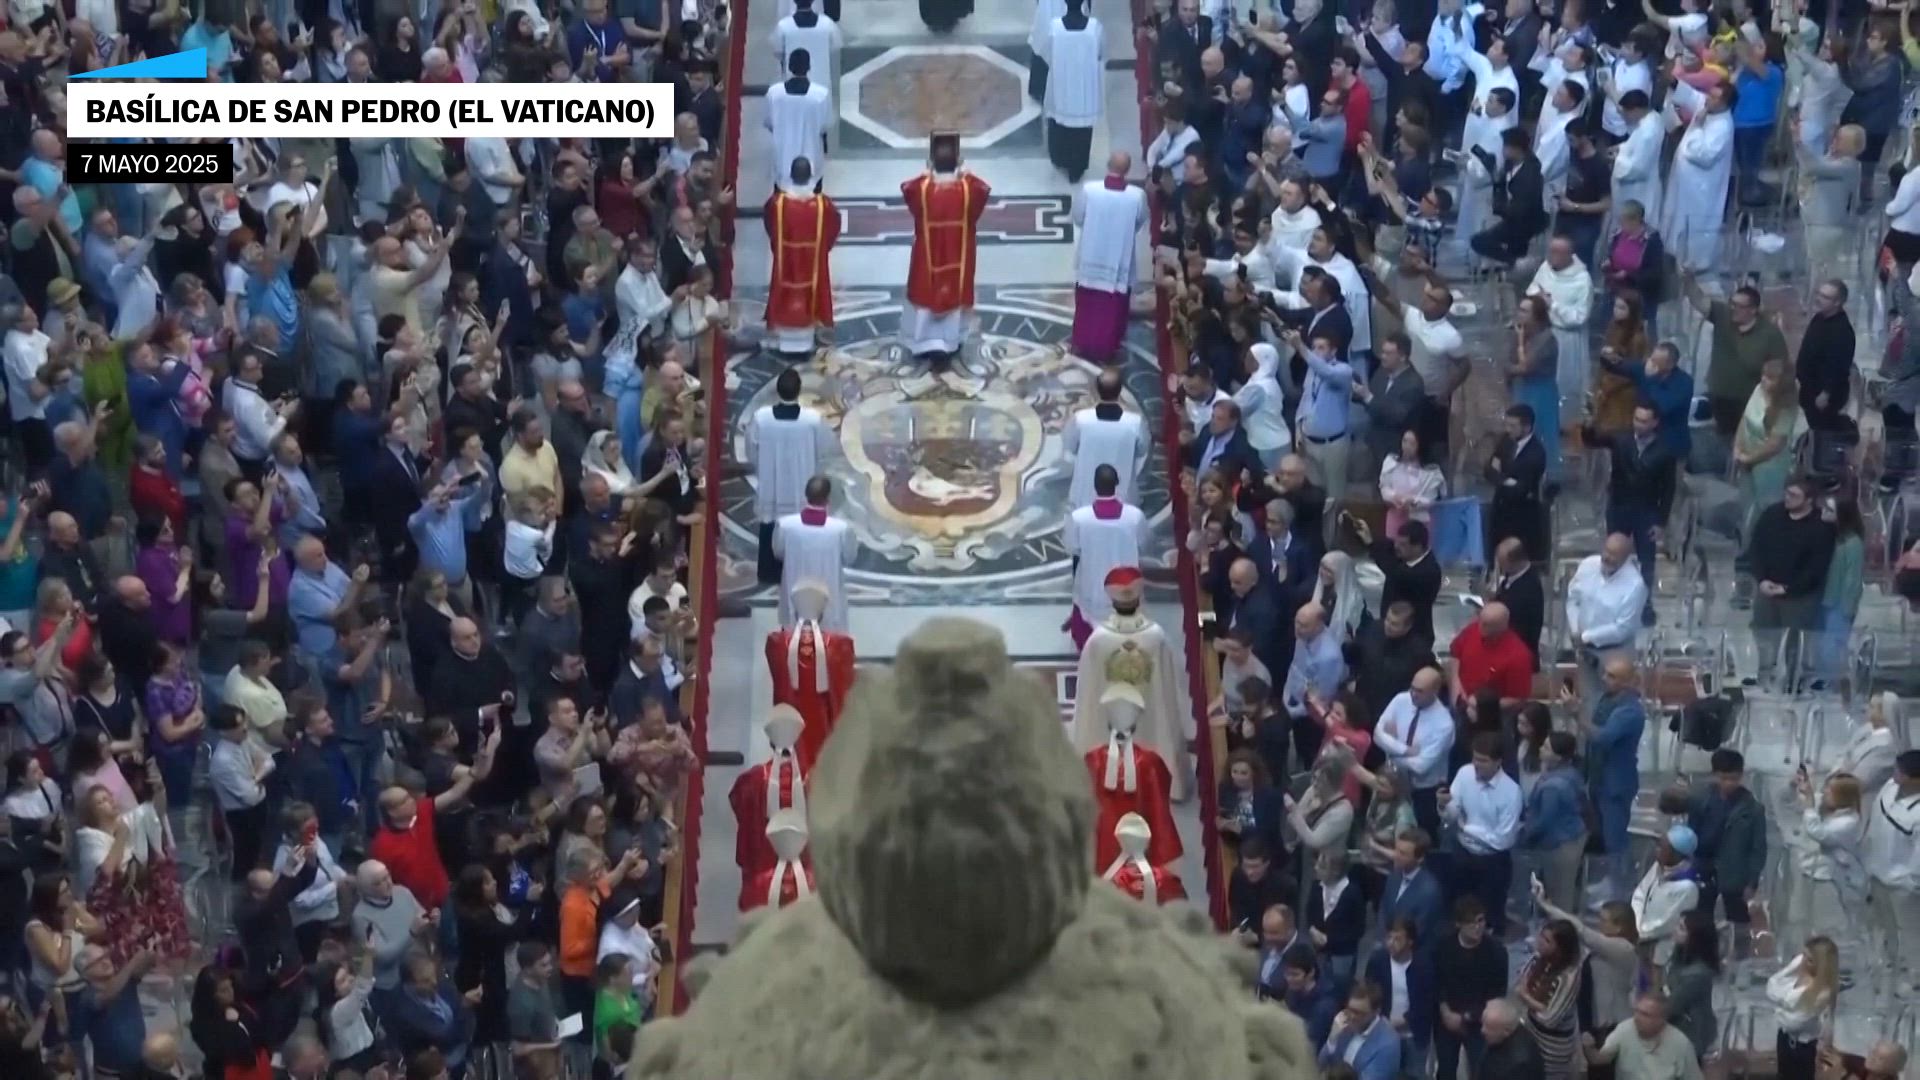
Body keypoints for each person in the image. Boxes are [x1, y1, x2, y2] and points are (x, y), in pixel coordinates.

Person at [900, 133, 991, 360]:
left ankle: (923, 342)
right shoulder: (968, 190)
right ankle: (950, 341)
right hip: (957, 257)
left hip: (927, 259)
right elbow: (982, 189)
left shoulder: (922, 190)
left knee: (925, 297)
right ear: (958, 162)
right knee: (954, 296)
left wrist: (928, 173)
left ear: (931, 162)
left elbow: (907, 189)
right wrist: (964, 173)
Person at [744, 366, 834, 585]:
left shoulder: (762, 418)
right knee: (799, 528)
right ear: (799, 390)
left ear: (777, 390)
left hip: (771, 484)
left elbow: (751, 449)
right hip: (801, 484)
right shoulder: (812, 419)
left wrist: (762, 466)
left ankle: (769, 573)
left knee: (770, 525)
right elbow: (826, 448)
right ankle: (799, 572)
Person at [1440, 733, 1522, 935]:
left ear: (1498, 762)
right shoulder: (1464, 774)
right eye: (1475, 758)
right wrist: (1443, 806)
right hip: (1463, 853)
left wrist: (1466, 828)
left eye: (1483, 761)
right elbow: (1452, 814)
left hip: (1493, 862)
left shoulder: (1511, 792)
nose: (1476, 764)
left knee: (1491, 914)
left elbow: (1503, 840)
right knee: (1459, 907)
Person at [1071, 152, 1148, 362]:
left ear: (1107, 165)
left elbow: (1077, 218)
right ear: (1128, 169)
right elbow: (1140, 222)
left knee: (1087, 303)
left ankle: (1081, 341)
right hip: (1119, 258)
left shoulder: (1089, 190)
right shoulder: (1137, 195)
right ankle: (1108, 346)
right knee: (1113, 306)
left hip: (1092, 254)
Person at [763, 156, 839, 356]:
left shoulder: (777, 204)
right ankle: (807, 338)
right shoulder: (823, 205)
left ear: (791, 175)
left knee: (785, 292)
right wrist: (822, 250)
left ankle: (782, 338)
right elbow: (833, 227)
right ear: (811, 176)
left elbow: (770, 225)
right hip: (812, 263)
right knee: (810, 294)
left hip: (787, 262)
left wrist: (779, 246)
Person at [1516, 919, 1581, 1079]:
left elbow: (1550, 1019)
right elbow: (1522, 980)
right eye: (1541, 936)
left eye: (1547, 940)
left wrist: (1525, 997)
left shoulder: (1568, 976)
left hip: (1553, 1048)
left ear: (1560, 948)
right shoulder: (1539, 959)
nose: (1540, 942)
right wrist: (1538, 1005)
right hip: (1531, 1032)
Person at [1583, 994, 1703, 1080]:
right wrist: (1589, 1047)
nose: (1637, 1018)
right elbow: (1599, 1059)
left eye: (1645, 1014)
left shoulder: (1681, 1043)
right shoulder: (1625, 1028)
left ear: (1661, 1019)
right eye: (1637, 1011)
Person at [1767, 938, 1839, 1080]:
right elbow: (1771, 988)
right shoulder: (1797, 976)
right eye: (1803, 955)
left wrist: (1780, 1006)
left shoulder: (1822, 991)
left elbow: (1794, 1022)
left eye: (1809, 959)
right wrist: (1791, 967)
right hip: (1784, 1038)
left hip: (1802, 1048)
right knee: (1782, 1075)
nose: (1803, 962)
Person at [1316, 980, 1402, 1080]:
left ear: (1376, 1012)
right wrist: (1332, 1040)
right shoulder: (1344, 1024)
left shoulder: (1388, 1044)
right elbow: (1320, 1065)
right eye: (1350, 1010)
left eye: (1358, 1013)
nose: (1352, 1016)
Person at [1479, 999, 1545, 1080]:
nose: (1482, 1030)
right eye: (1483, 1024)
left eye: (1490, 1028)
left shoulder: (1519, 1066)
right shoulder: (1506, 1031)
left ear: (1506, 1031)